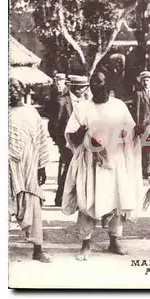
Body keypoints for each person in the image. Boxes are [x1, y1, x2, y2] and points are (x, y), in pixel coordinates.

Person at [62, 72, 142, 261]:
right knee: (88, 199)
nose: (98, 85)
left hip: (114, 160)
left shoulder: (119, 106)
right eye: (94, 82)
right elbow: (70, 136)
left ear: (108, 84)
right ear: (90, 86)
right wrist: (81, 133)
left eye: (101, 81)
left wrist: (137, 131)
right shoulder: (82, 108)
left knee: (115, 200)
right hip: (90, 162)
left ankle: (114, 242)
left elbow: (130, 131)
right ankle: (85, 245)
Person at [9, 78, 51, 263]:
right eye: (8, 88)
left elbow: (42, 140)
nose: (12, 91)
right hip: (7, 169)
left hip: (29, 167)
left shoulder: (31, 112)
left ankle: (38, 249)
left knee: (33, 207)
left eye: (15, 87)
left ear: (23, 89)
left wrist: (42, 167)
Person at [52, 75, 90, 206]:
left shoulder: (85, 101)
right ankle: (60, 198)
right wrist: (61, 144)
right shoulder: (61, 102)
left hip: (82, 142)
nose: (84, 91)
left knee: (79, 169)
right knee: (68, 168)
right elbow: (54, 126)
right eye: (83, 88)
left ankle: (77, 199)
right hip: (67, 143)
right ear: (76, 88)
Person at [133, 70, 150, 178]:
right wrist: (139, 125)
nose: (146, 83)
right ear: (141, 82)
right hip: (145, 123)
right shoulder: (139, 94)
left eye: (147, 80)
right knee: (147, 145)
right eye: (144, 80)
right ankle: (145, 169)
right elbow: (137, 110)